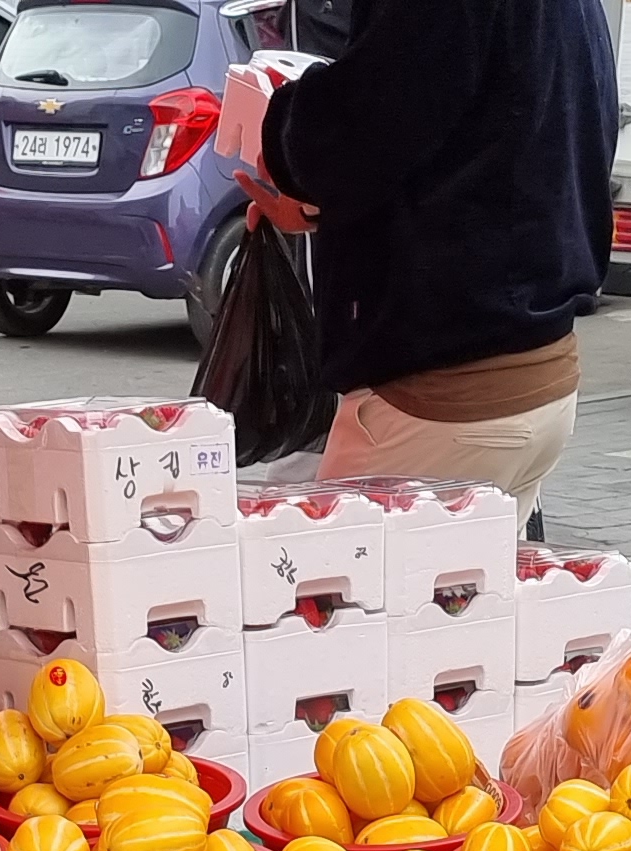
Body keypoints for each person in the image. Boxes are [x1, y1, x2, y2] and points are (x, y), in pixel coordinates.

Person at [236, 0, 611, 521]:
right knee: (473, 576)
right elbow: (476, 142)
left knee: (340, 572)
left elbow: (366, 119)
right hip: (540, 369)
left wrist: (287, 142)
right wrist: (324, 204)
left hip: (442, 390)